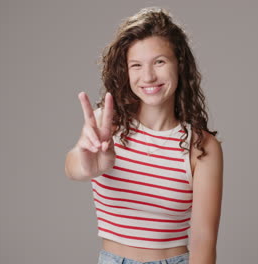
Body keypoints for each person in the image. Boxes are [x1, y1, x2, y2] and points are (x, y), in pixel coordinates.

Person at [65, 7, 223, 264]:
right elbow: (72, 167)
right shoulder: (108, 124)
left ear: (179, 65)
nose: (148, 76)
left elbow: (203, 240)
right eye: (136, 65)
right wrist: (85, 163)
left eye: (159, 62)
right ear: (125, 72)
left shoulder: (201, 146)